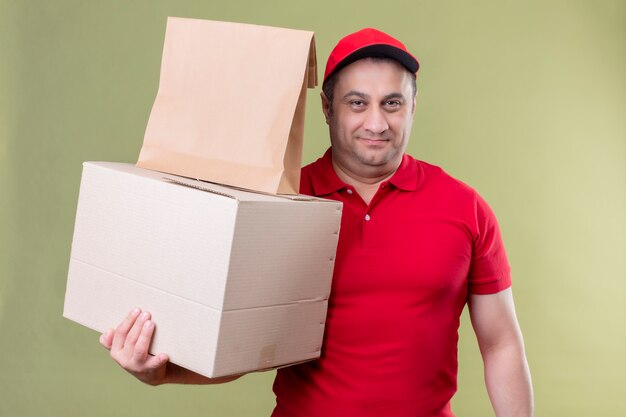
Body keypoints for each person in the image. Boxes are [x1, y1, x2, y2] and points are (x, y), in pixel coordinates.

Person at [100, 28, 534, 417]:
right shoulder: (279, 204)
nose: (376, 123)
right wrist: (161, 373)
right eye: (357, 103)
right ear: (327, 108)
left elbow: (500, 343)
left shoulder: (465, 208)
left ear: (414, 106)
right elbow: (241, 348)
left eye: (393, 104)